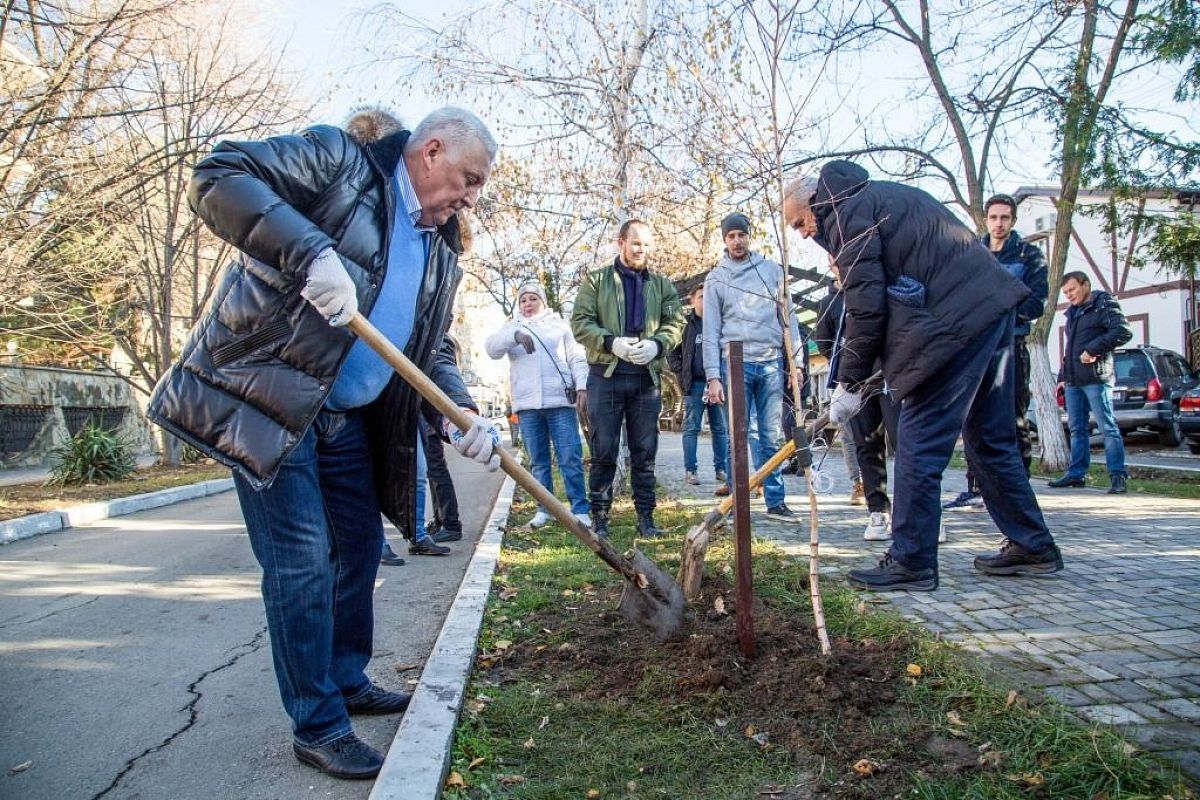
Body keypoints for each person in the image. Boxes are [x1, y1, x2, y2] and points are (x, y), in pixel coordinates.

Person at [147, 107, 502, 779]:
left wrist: (464, 410)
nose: (472, 197)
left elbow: (433, 348)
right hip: (270, 399)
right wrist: (309, 252)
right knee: (302, 560)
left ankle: (343, 678)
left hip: (343, 416)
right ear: (430, 152)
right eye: (469, 179)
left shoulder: (440, 246)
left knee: (361, 548)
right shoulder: (340, 165)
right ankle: (317, 723)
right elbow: (218, 173)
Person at [783, 161, 1063, 592]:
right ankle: (1034, 545)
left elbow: (867, 307)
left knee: (917, 440)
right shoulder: (876, 196)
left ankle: (911, 560)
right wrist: (862, 379)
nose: (802, 233)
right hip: (990, 311)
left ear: (813, 202)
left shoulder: (846, 214)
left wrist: (850, 381)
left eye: (799, 222)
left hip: (958, 325)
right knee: (990, 439)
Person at [571, 219, 685, 539]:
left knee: (644, 451)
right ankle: (600, 518)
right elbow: (580, 322)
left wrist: (657, 345)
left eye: (647, 244)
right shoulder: (596, 282)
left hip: (646, 379)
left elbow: (676, 322)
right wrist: (611, 342)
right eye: (636, 243)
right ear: (620, 242)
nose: (641, 249)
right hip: (605, 377)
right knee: (604, 449)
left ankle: (646, 518)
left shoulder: (662, 286)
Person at [944, 193, 1049, 510]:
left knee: (1013, 420)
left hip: (1011, 347)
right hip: (976, 349)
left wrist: (999, 313)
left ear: (1013, 220)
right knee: (972, 419)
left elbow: (1034, 302)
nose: (999, 223)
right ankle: (976, 488)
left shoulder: (1029, 255)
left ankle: (1018, 493)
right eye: (994, 217)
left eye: (1005, 217)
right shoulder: (973, 254)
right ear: (985, 220)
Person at [703, 212, 803, 522]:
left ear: (749, 236)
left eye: (741, 234)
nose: (736, 240)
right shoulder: (716, 278)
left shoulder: (771, 271)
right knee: (739, 435)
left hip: (771, 360)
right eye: (730, 236)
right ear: (724, 240)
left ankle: (776, 501)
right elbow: (711, 330)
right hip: (735, 363)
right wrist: (713, 377)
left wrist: (796, 362)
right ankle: (737, 501)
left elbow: (789, 320)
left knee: (769, 436)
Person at [486, 279, 591, 527]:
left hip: (559, 404)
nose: (527, 303)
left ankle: (580, 510)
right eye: (523, 300)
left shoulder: (560, 326)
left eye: (533, 298)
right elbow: (491, 349)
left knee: (570, 456)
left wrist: (582, 386)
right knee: (538, 460)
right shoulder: (512, 327)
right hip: (528, 406)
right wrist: (514, 335)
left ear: (543, 301)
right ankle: (544, 510)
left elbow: (576, 357)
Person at [813, 262, 901, 541]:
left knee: (905, 442)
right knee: (865, 443)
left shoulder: (883, 287)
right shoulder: (832, 303)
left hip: (891, 375)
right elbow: (826, 342)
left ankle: (920, 510)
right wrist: (844, 374)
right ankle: (878, 510)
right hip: (856, 380)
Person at [1048, 271, 1133, 494]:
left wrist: (1093, 349)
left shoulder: (1103, 304)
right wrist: (1062, 377)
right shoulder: (1072, 313)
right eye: (1066, 292)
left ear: (1086, 285)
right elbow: (1071, 348)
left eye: (1072, 290)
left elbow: (1123, 331)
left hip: (1096, 378)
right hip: (1073, 380)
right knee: (1077, 429)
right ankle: (1077, 474)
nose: (1069, 295)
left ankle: (1117, 475)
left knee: (1108, 428)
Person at [667, 283, 728, 488]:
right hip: (694, 385)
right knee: (691, 428)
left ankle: (722, 469)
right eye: (701, 296)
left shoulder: (718, 321)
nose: (705, 299)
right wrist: (681, 373)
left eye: (708, 296)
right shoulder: (685, 324)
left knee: (720, 428)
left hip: (718, 384)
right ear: (692, 300)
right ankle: (690, 471)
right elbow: (672, 352)